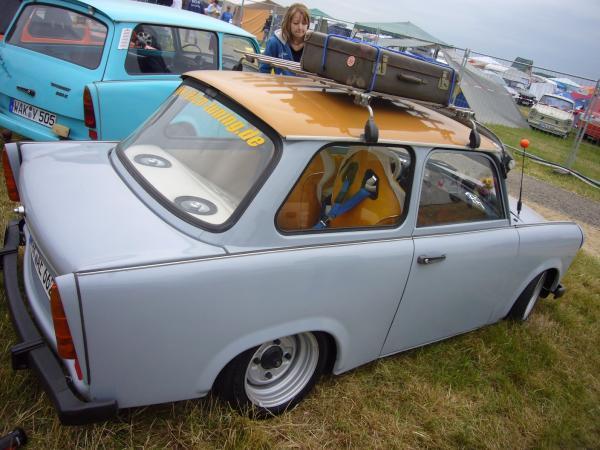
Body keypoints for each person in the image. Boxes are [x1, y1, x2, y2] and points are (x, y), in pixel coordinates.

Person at [259, 3, 309, 75]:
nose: (300, 27)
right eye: (296, 23)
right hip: (280, 82)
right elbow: (264, 70)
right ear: (288, 23)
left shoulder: (313, 46)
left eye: (304, 23)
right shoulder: (274, 42)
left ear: (308, 24)